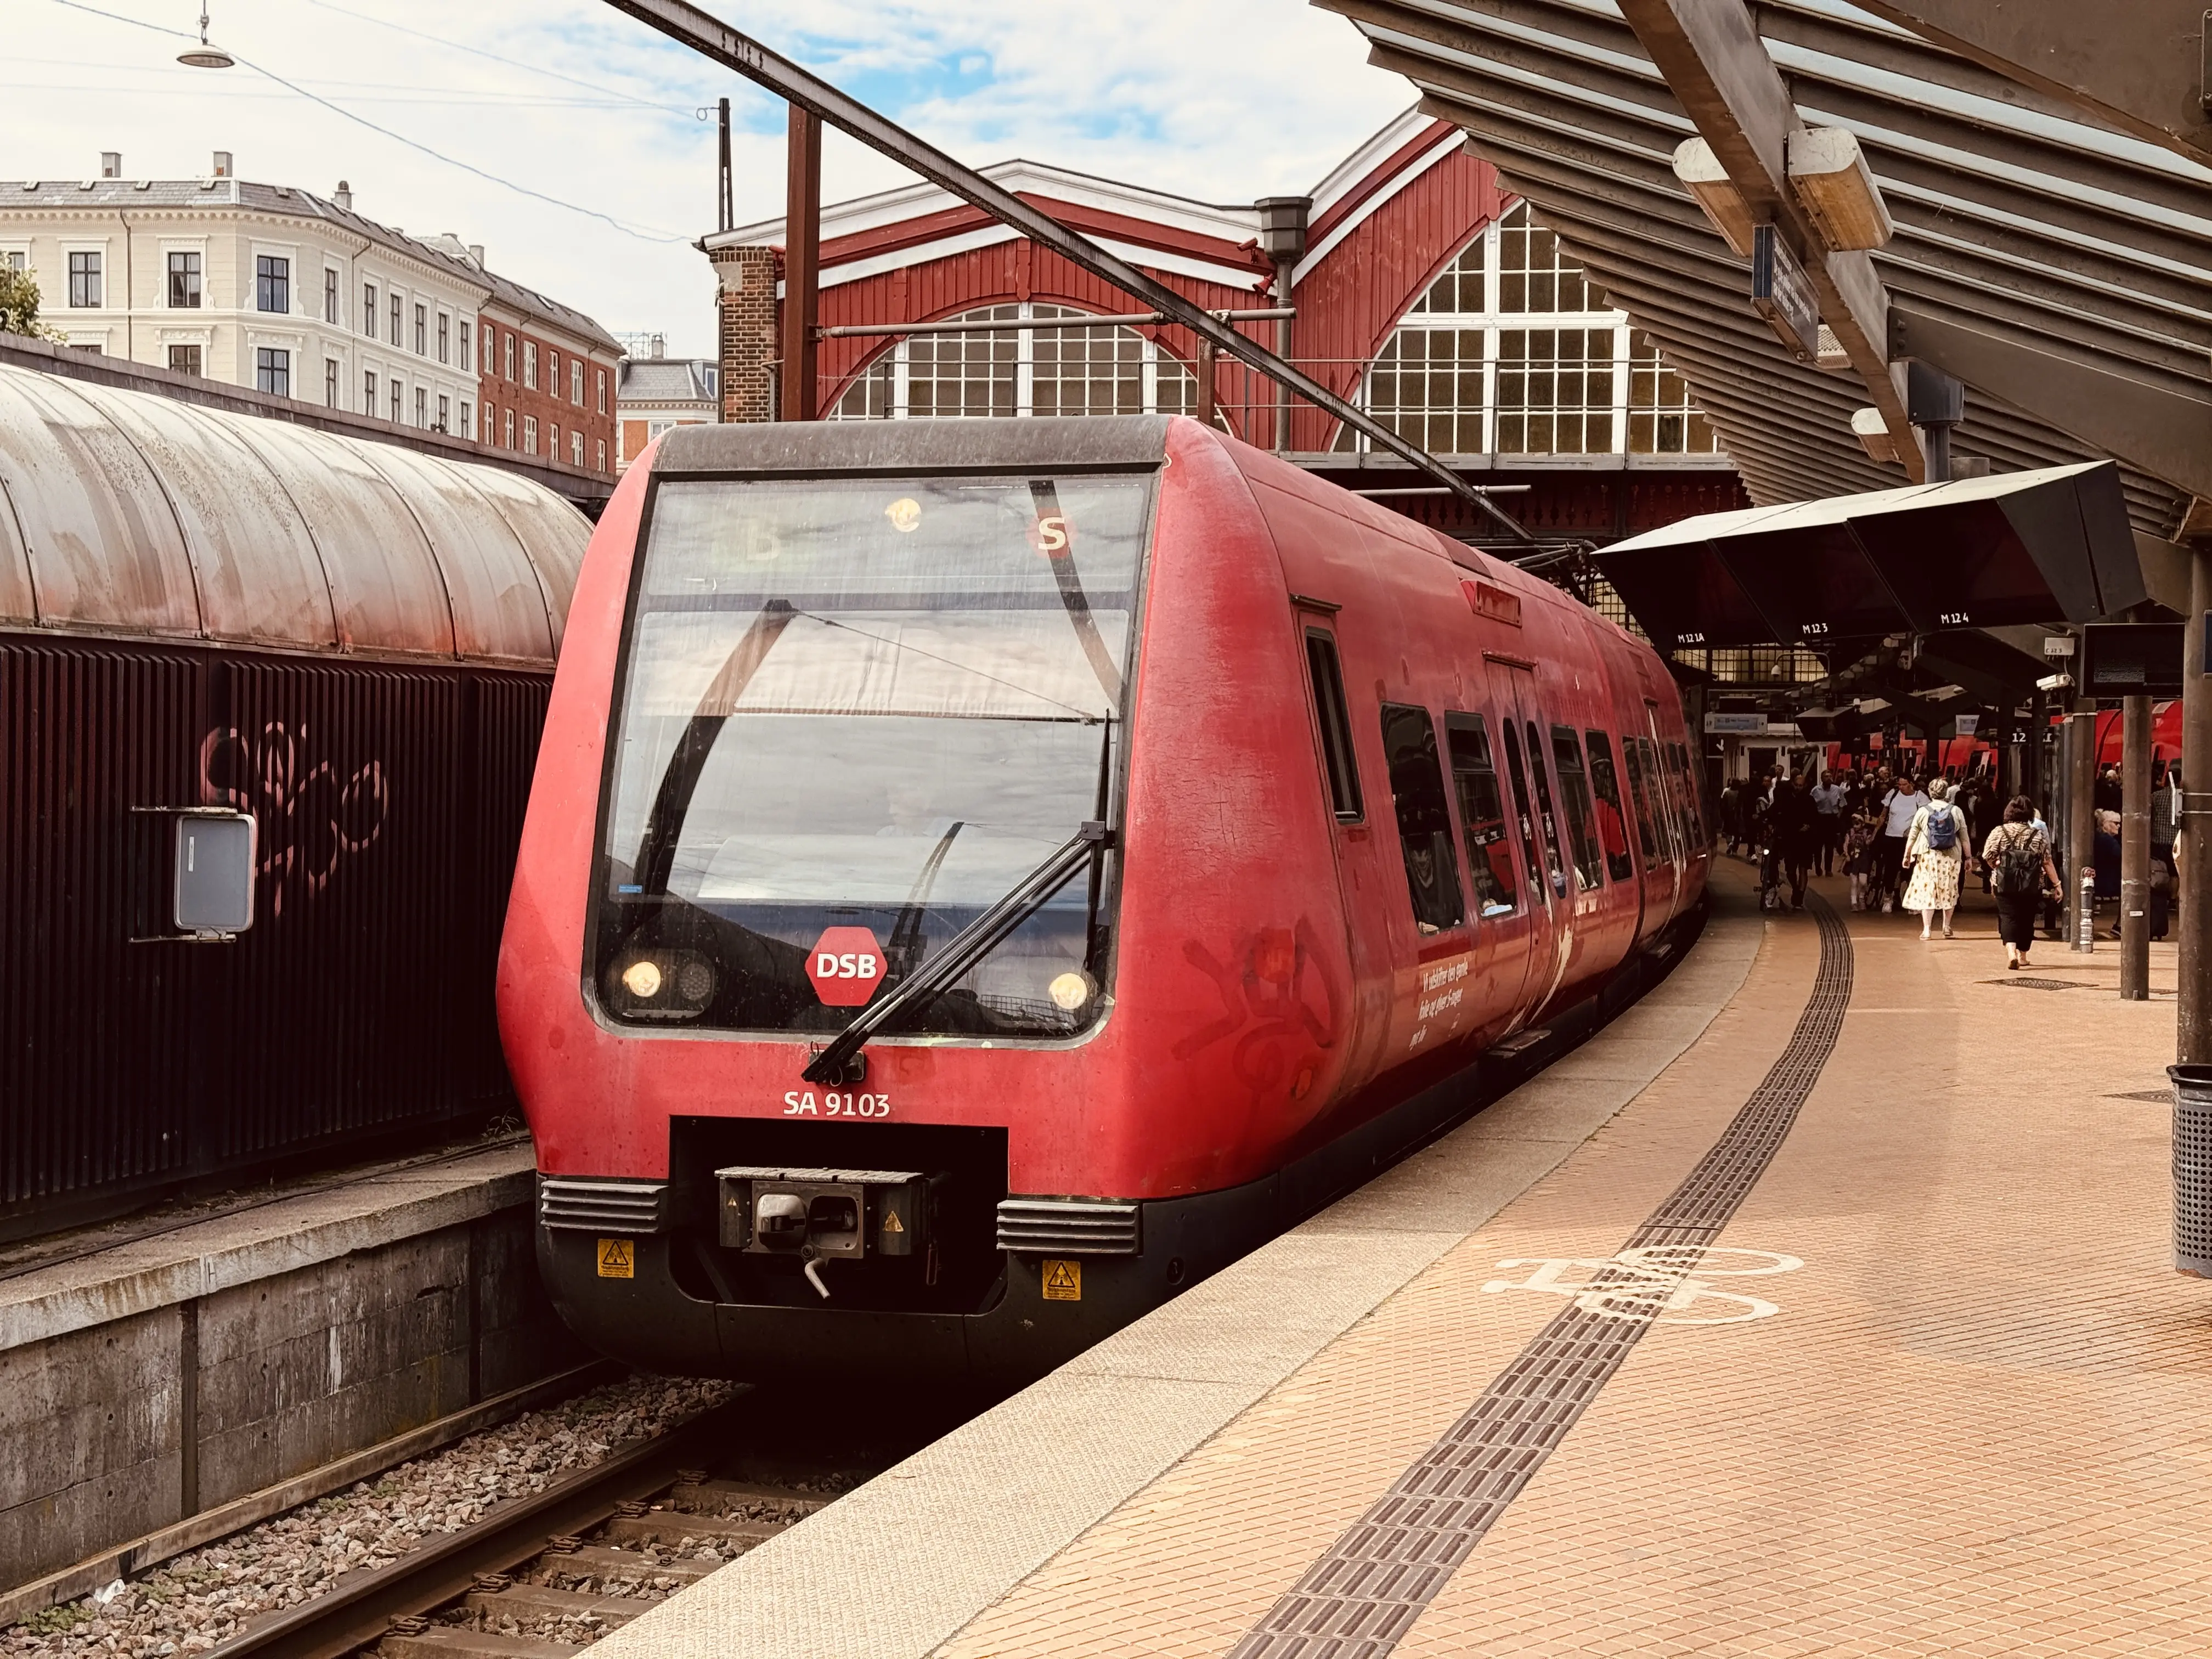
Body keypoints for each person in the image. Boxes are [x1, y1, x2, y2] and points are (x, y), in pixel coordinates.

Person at [1983, 794, 2061, 970]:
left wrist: (1997, 865)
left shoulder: (1999, 832)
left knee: (2008, 916)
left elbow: (1988, 854)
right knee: (2027, 918)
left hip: (2004, 882)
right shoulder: (2037, 835)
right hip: (2031, 883)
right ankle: (2023, 956)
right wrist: (2057, 885)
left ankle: (2011, 953)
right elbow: (2047, 861)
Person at [1903, 777, 1968, 939]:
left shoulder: (1923, 811)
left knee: (1928, 891)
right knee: (1950, 890)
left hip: (1928, 856)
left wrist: (1907, 854)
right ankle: (1947, 926)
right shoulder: (1956, 811)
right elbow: (1964, 837)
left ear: (1930, 792)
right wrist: (1968, 857)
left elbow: (1913, 835)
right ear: (1946, 793)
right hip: (1952, 856)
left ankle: (1927, 930)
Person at [1872, 772, 1926, 914]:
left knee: (1910, 870)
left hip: (1910, 840)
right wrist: (1875, 832)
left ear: (1911, 784)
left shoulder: (1920, 797)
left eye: (1904, 785)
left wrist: (1913, 828)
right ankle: (1888, 899)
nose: (1901, 787)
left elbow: (1926, 817)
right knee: (1891, 869)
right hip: (1892, 837)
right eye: (1900, 785)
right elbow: (1883, 815)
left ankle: (1912, 901)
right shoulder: (1893, 794)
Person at [1769, 772, 1821, 910]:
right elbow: (1778, 813)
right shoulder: (1787, 799)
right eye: (1797, 785)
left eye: (1801, 786)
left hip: (1805, 840)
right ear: (1793, 784)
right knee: (1790, 871)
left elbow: (1815, 818)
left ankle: (1799, 897)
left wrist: (1809, 826)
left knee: (1803, 869)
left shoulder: (1809, 800)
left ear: (1805, 786)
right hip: (1790, 839)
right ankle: (1796, 889)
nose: (1798, 788)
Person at [1842, 803, 1882, 912]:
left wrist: (1874, 833)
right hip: (1853, 860)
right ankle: (1854, 902)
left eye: (1858, 823)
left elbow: (1868, 842)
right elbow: (1846, 844)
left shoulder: (1866, 833)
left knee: (1863, 882)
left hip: (1864, 860)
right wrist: (1847, 855)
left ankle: (1862, 898)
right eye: (1854, 823)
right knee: (1854, 882)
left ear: (1863, 823)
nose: (1855, 825)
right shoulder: (1850, 833)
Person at [1810, 768, 1848, 875]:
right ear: (1822, 779)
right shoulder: (1816, 790)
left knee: (1830, 846)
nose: (1828, 778)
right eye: (1826, 777)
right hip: (1820, 819)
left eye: (1830, 776)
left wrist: (1838, 816)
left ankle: (1828, 869)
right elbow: (1811, 805)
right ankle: (1818, 867)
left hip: (1832, 819)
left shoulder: (1837, 790)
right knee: (1818, 846)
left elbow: (1843, 804)